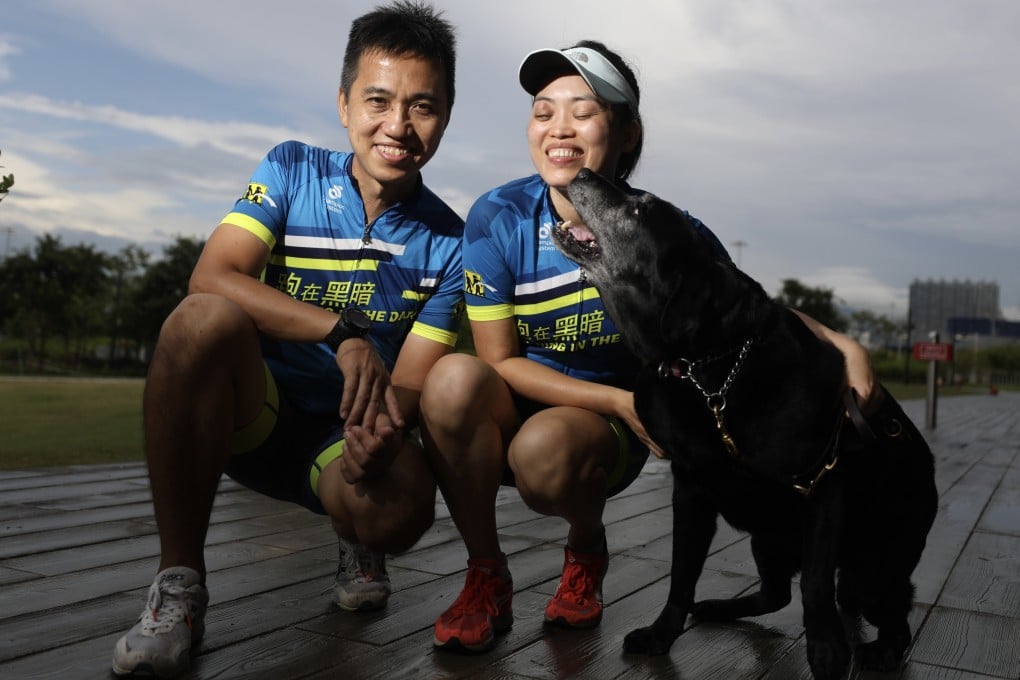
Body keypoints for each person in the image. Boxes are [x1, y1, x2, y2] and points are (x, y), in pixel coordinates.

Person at [419, 40, 876, 653]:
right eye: (543, 110)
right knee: (452, 379)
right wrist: (617, 398)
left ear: (627, 132)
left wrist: (840, 341)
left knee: (546, 450)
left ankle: (585, 551)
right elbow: (498, 361)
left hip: (593, 434)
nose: (559, 128)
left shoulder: (666, 231)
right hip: (552, 398)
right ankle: (485, 573)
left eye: (583, 112)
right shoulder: (497, 215)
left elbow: (746, 307)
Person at [111, 3, 462, 677]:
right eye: (378, 100)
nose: (398, 126)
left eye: (423, 107)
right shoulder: (290, 167)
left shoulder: (451, 240)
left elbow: (413, 383)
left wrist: (387, 437)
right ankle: (179, 582)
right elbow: (213, 274)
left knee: (405, 513)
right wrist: (344, 332)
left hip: (342, 444)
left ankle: (357, 535)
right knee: (199, 319)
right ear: (342, 103)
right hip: (252, 413)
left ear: (446, 113)